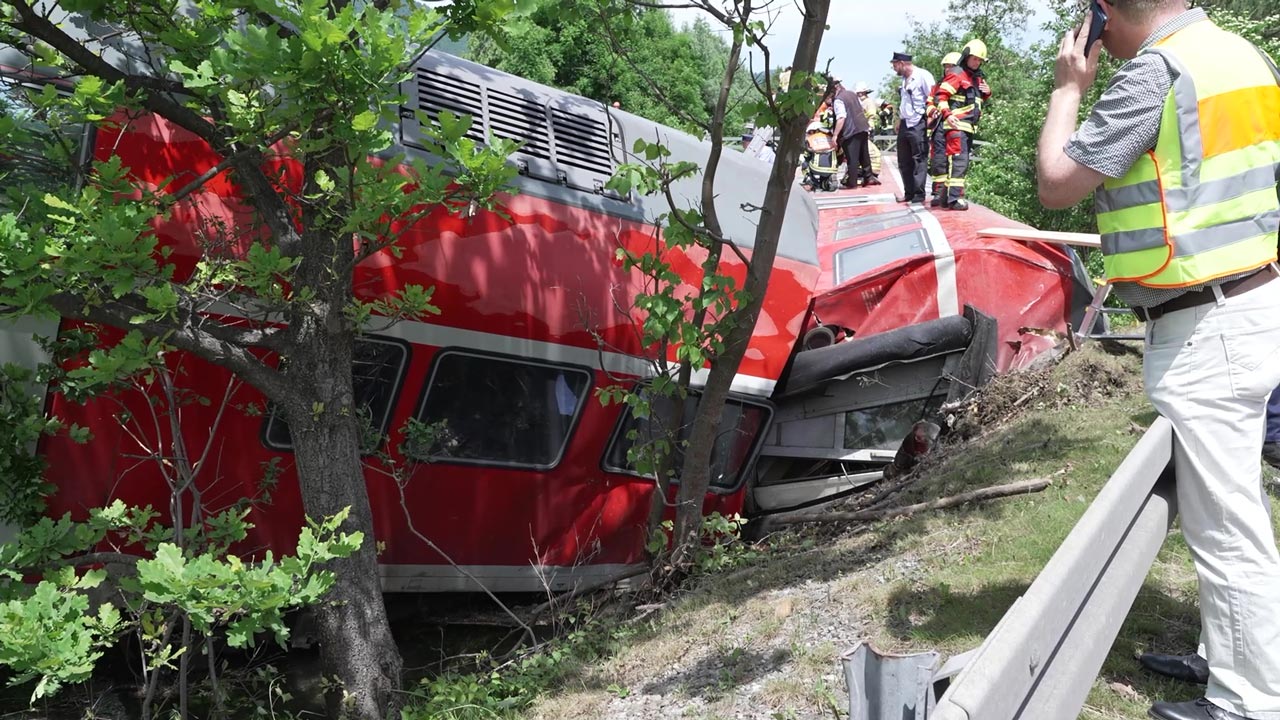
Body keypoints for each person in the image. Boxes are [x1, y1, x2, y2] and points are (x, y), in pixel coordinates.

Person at [1036, 2, 1280, 719]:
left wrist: (1066, 88)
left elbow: (1057, 183)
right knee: (1237, 505)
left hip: (1207, 325)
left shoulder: (1155, 75)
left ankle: (1249, 702)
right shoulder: (1241, 55)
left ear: (1105, 15)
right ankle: (1224, 653)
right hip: (1254, 297)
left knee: (1227, 526)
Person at [932, 39, 992, 210]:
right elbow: (940, 97)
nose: (977, 62)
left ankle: (946, 198)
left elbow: (975, 100)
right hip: (956, 125)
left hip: (968, 127)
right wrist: (947, 115)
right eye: (974, 59)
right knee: (959, 161)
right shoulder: (957, 73)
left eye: (980, 60)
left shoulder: (976, 78)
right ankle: (954, 199)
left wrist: (987, 93)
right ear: (966, 57)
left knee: (960, 162)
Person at [891, 51, 935, 204]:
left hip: (918, 122)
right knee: (903, 160)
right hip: (905, 122)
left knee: (919, 158)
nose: (894, 68)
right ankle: (908, 192)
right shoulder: (904, 80)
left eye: (895, 65)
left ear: (902, 63)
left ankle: (918, 194)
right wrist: (899, 120)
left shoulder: (923, 76)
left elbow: (933, 98)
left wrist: (929, 119)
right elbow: (904, 101)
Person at [928, 51, 962, 207]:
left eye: (951, 66)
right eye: (946, 67)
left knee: (954, 160)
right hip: (938, 125)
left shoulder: (962, 83)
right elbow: (929, 103)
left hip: (953, 125)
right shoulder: (937, 86)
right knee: (938, 160)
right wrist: (932, 111)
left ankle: (952, 195)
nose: (948, 69)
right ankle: (938, 193)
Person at [829, 77, 872, 189]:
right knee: (864, 154)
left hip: (851, 131)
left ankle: (852, 182)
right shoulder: (851, 94)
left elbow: (841, 117)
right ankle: (869, 177)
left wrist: (835, 135)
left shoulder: (839, 99)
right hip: (863, 127)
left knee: (852, 158)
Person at [855, 82, 883, 185]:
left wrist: (869, 127)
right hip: (862, 128)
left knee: (866, 151)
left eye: (860, 93)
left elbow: (871, 115)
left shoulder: (868, 102)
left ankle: (868, 172)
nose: (859, 95)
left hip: (867, 129)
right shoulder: (863, 102)